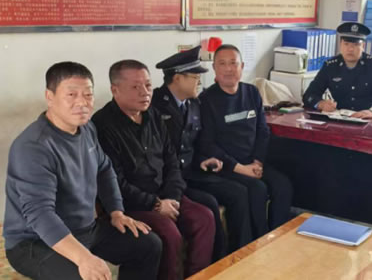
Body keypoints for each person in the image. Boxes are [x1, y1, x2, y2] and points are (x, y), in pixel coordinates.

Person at [3, 61, 161, 280]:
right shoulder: (34, 147)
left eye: (88, 95)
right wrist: (83, 258)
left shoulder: (86, 128)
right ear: (50, 97)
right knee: (83, 275)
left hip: (85, 229)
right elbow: (40, 214)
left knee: (148, 245)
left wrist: (116, 212)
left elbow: (104, 169)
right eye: (71, 95)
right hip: (34, 241)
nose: (82, 103)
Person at [93, 60, 215, 280]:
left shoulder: (154, 116)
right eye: (135, 87)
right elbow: (114, 182)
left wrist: (171, 197)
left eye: (148, 85)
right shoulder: (103, 125)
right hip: (132, 204)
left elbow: (172, 162)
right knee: (169, 233)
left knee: (203, 217)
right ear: (115, 90)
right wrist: (156, 205)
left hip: (165, 195)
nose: (145, 92)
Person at [152, 46, 253, 255]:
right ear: (177, 78)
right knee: (209, 203)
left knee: (239, 192)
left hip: (192, 171)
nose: (199, 81)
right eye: (195, 77)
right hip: (169, 180)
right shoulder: (155, 106)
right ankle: (218, 260)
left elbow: (196, 143)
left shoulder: (193, 103)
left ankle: (241, 253)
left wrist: (203, 161)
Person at [198, 44, 293, 239]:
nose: (228, 69)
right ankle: (257, 243)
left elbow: (262, 131)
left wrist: (258, 162)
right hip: (227, 166)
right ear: (214, 68)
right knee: (257, 189)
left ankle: (277, 239)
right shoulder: (206, 99)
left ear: (242, 66)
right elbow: (207, 144)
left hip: (253, 162)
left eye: (233, 63)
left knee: (283, 185)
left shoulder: (251, 92)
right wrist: (241, 168)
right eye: (222, 64)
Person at [303, 22, 372, 118]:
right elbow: (309, 95)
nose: (350, 49)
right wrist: (321, 104)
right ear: (340, 45)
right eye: (346, 44)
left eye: (356, 45)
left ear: (363, 46)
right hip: (340, 118)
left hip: (369, 118)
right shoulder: (331, 65)